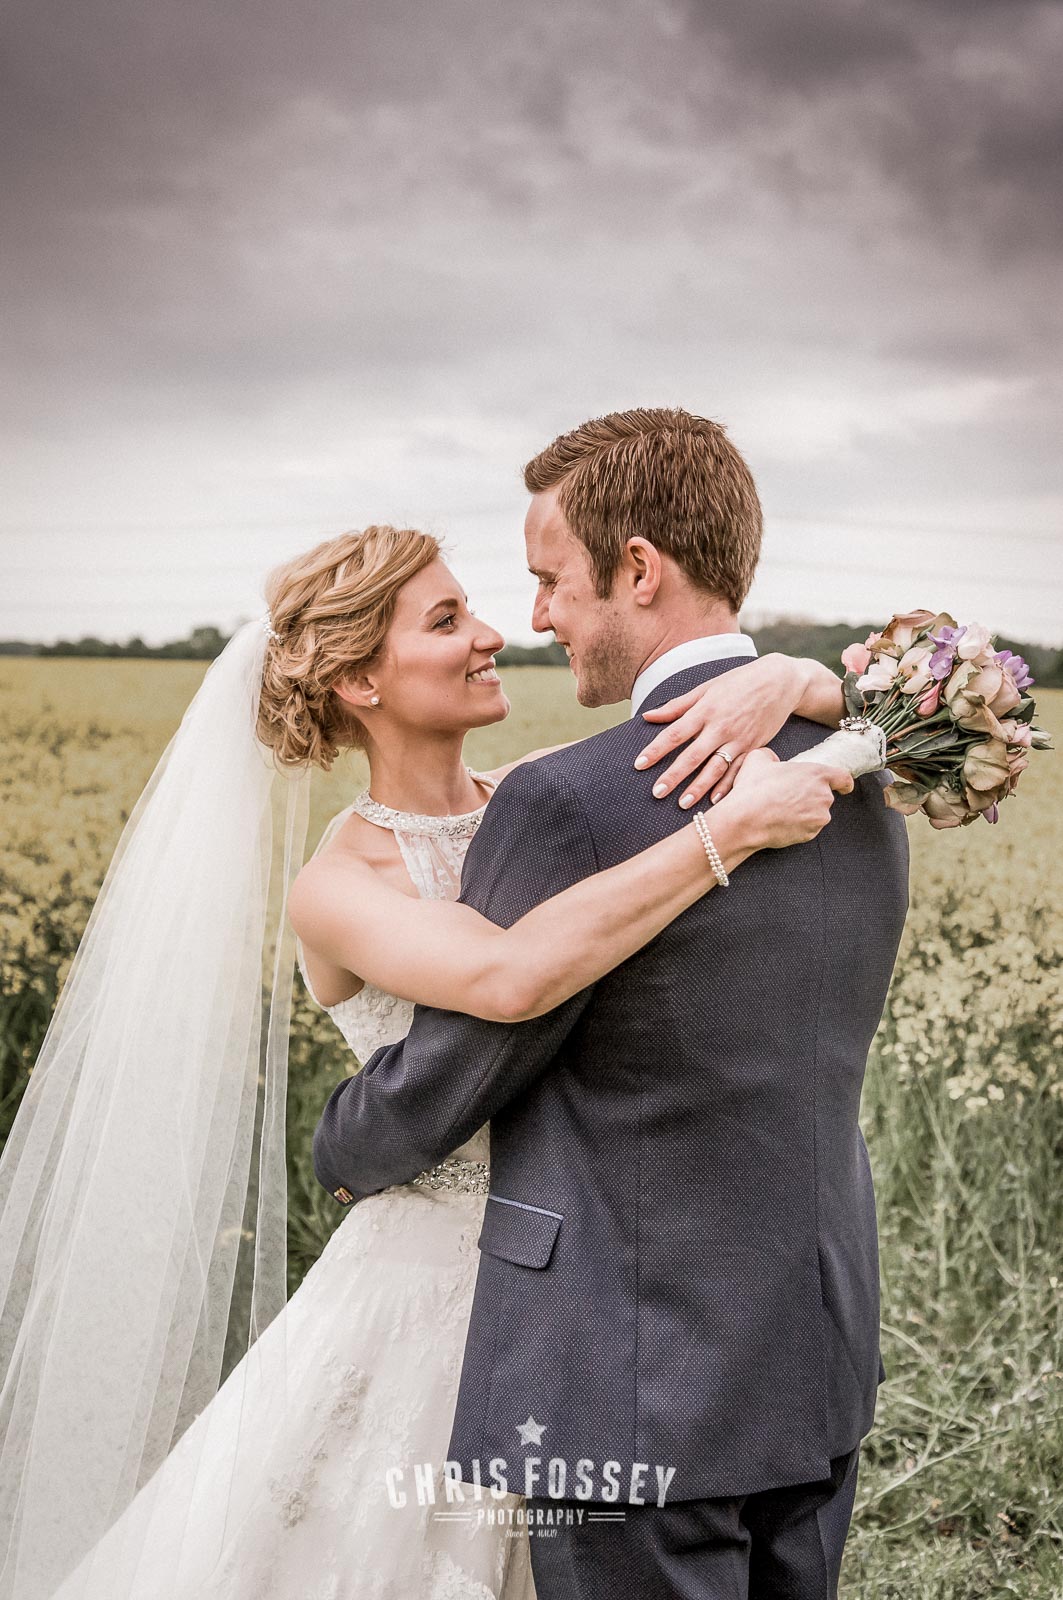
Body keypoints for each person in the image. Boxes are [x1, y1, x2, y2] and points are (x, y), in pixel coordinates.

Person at [0, 498, 852, 1600]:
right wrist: (723, 833)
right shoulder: (340, 886)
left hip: (592, 1276)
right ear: (361, 679)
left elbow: (809, 705)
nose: (494, 631)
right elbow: (509, 980)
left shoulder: (538, 796)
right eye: (447, 618)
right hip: (424, 1294)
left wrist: (782, 677)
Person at [314, 409, 911, 1600]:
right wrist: (799, 679)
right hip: (816, 1349)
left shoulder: (572, 804)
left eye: (548, 580)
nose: (532, 619)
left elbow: (458, 1067)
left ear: (637, 569)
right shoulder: (861, 771)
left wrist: (341, 1142)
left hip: (630, 1381)